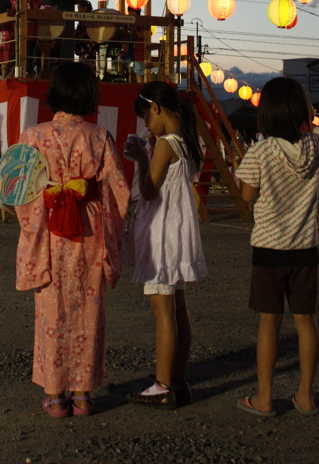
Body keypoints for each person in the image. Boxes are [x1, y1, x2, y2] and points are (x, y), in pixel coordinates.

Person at [14, 61, 130, 418]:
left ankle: (55, 394)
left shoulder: (34, 135)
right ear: (89, 95)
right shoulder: (99, 137)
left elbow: (20, 190)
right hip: (89, 230)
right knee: (88, 309)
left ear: (56, 93)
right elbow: (118, 191)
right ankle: (82, 394)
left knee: (52, 309)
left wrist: (34, 220)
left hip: (49, 229)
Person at [235, 76, 319, 417]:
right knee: (306, 322)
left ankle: (264, 398)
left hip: (269, 250)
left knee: (269, 323)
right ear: (300, 110)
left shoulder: (260, 151)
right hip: (306, 248)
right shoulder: (316, 146)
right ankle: (306, 396)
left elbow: (247, 195)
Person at [124, 81, 207, 408]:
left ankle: (162, 385)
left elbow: (148, 191)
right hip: (179, 229)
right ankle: (177, 379)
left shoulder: (165, 144)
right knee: (178, 311)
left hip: (162, 232)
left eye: (146, 116)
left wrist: (139, 158)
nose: (146, 124)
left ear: (156, 108)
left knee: (162, 311)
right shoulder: (189, 140)